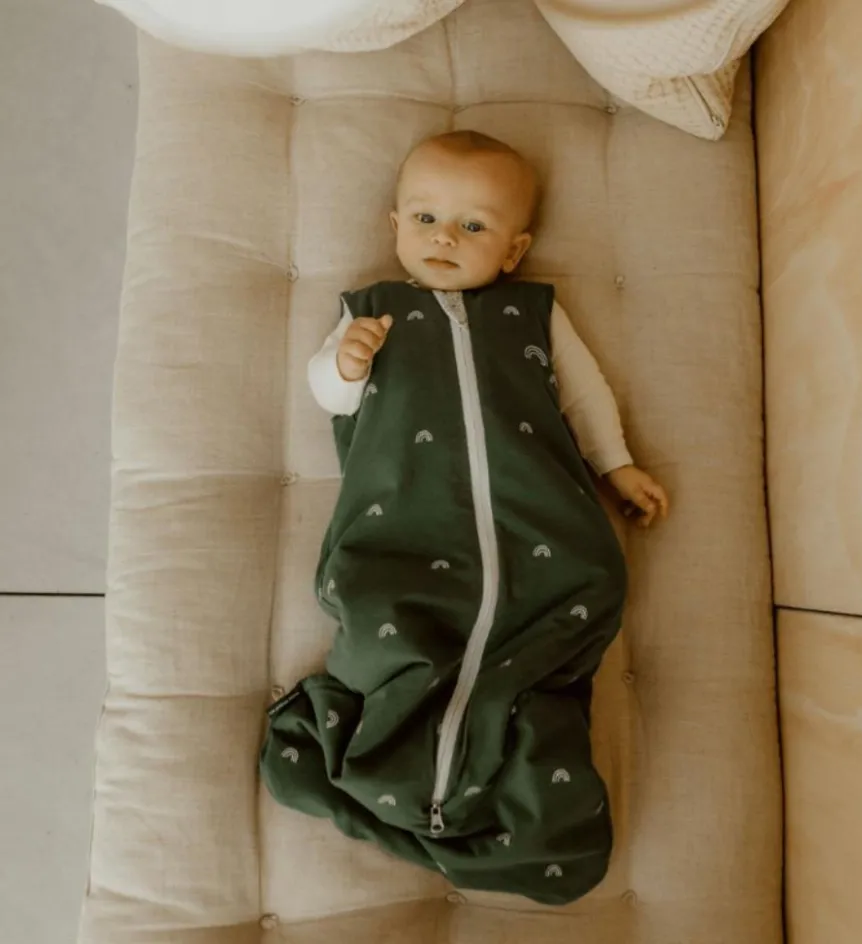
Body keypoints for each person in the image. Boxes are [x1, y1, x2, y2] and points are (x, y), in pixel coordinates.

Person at [261, 130, 669, 905]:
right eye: (425, 218)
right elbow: (331, 396)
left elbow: (583, 396)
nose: (444, 237)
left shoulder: (534, 313)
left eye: (472, 225)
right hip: (405, 527)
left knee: (552, 624)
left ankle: (497, 768)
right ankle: (416, 773)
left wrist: (616, 465)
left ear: (514, 251)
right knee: (391, 623)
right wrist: (344, 363)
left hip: (543, 525)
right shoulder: (371, 312)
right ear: (395, 226)